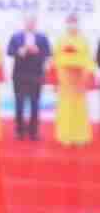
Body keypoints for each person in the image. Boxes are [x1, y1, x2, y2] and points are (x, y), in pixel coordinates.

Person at [8, 14, 51, 141]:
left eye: (32, 22)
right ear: (24, 23)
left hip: (36, 75)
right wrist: (19, 51)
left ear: (36, 23)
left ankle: (34, 132)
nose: (30, 24)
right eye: (28, 22)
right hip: (19, 75)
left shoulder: (42, 37)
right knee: (19, 104)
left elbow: (48, 53)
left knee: (35, 104)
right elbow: (9, 51)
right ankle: (19, 131)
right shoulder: (16, 36)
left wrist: (37, 51)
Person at [55, 15, 93, 148]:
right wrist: (65, 66)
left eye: (74, 23)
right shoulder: (61, 40)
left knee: (79, 108)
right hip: (66, 80)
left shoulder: (83, 40)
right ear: (66, 24)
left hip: (79, 81)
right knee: (66, 108)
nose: (72, 25)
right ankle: (65, 136)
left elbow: (88, 59)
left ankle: (80, 137)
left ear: (78, 24)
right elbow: (56, 58)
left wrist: (84, 71)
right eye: (70, 23)